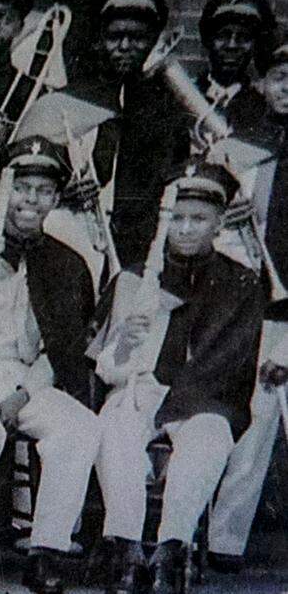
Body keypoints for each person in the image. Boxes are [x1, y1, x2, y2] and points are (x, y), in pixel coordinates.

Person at [92, 161, 264, 594]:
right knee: (115, 426)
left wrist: (176, 407)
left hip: (205, 395)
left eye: (199, 219)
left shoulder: (240, 283)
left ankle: (172, 546)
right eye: (176, 219)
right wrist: (128, 344)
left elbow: (231, 367)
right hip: (142, 387)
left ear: (219, 222)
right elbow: (107, 368)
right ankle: (127, 547)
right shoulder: (135, 278)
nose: (185, 229)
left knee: (207, 439)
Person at [0, 136, 99, 594]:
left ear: (55, 198)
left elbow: (63, 347)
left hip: (28, 378)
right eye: (21, 187)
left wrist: (24, 394)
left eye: (43, 190)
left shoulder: (68, 263)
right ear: (2, 190)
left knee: (80, 428)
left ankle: (46, 549)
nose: (30, 199)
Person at [206, 41, 288, 574]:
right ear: (261, 84)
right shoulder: (246, 149)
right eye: (280, 77)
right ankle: (224, 543)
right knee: (254, 424)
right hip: (261, 309)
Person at [62, 0, 189, 267]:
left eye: (137, 37)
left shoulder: (170, 110)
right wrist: (66, 188)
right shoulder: (78, 96)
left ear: (154, 39)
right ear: (100, 38)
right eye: (115, 36)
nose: (124, 47)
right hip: (80, 237)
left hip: (140, 249)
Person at [195, 0, 274, 141]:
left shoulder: (264, 107)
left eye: (243, 37)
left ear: (254, 45)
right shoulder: (185, 93)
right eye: (223, 35)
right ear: (208, 41)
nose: (232, 45)